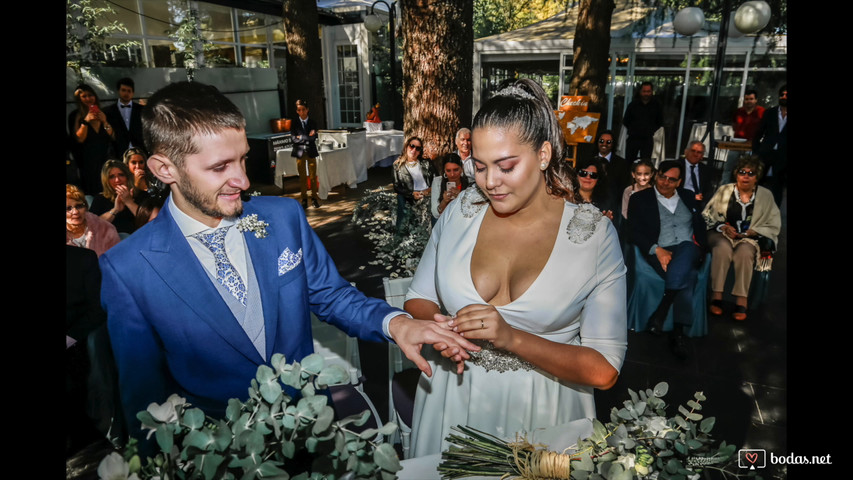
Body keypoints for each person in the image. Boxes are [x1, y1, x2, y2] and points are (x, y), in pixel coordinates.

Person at [98, 81, 477, 452]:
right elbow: (143, 403)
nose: (243, 180)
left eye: (243, 158)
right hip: (213, 452)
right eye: (220, 167)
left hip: (309, 431)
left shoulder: (283, 217)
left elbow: (332, 294)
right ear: (165, 169)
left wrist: (397, 323)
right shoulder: (128, 269)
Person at [405, 78, 627, 456]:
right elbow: (419, 298)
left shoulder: (594, 236)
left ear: (543, 155)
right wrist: (440, 331)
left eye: (506, 166)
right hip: (453, 398)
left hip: (543, 414)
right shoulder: (460, 212)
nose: (491, 182)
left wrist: (513, 339)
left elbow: (604, 370)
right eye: (480, 166)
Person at [627, 160, 707, 360]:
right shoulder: (640, 198)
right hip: (661, 250)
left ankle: (661, 313)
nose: (665, 182)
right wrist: (657, 250)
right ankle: (678, 333)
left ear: (679, 182)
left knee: (688, 246)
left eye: (672, 180)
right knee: (686, 277)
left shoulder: (689, 197)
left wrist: (704, 245)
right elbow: (631, 231)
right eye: (662, 176)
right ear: (656, 175)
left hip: (690, 249)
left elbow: (701, 226)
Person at [703, 156, 780, 321]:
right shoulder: (724, 190)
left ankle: (741, 299)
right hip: (721, 233)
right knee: (722, 248)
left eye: (751, 173)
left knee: (745, 252)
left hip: (749, 238)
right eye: (742, 172)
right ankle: (717, 296)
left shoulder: (765, 195)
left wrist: (755, 231)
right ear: (736, 174)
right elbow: (707, 215)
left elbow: (774, 223)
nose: (746, 176)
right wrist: (722, 226)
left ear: (756, 177)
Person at [69, 84, 116, 194]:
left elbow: (113, 136)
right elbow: (79, 139)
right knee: (93, 191)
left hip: (105, 159)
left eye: (90, 95)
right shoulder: (76, 115)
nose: (88, 99)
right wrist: (85, 121)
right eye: (84, 96)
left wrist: (104, 121)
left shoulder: (105, 113)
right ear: (79, 99)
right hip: (88, 162)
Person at [88, 160, 151, 235]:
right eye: (112, 177)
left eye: (121, 175)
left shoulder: (141, 195)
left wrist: (129, 202)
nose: (117, 180)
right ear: (106, 180)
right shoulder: (100, 199)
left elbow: (150, 221)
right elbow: (92, 226)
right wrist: (115, 209)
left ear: (127, 176)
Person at [393, 136, 436, 235]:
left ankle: (433, 235)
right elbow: (397, 187)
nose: (414, 150)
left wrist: (429, 190)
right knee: (400, 197)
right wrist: (411, 194)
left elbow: (437, 180)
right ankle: (400, 234)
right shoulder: (397, 166)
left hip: (428, 194)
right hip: (411, 197)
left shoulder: (427, 163)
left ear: (420, 151)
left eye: (418, 148)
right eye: (412, 146)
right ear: (406, 147)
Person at [754, 84, 787, 207]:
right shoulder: (770, 113)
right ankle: (753, 212)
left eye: (786, 95)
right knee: (758, 184)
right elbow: (758, 133)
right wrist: (756, 152)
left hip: (783, 157)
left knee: (777, 188)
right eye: (782, 94)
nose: (784, 97)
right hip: (766, 153)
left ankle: (773, 217)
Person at [66, 184, 120, 257]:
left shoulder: (105, 229)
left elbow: (117, 259)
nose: (75, 212)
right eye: (68, 208)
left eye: (79, 206)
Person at [104, 77, 146, 156]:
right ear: (118, 91)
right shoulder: (109, 111)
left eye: (129, 91)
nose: (126, 93)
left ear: (133, 93)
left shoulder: (142, 110)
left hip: (140, 151)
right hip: (118, 151)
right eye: (123, 90)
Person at [290, 99, 321, 209]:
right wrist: (306, 137)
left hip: (311, 151)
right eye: (299, 110)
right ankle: (304, 198)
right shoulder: (294, 123)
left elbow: (313, 137)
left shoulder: (313, 122)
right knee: (302, 176)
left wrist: (301, 137)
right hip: (299, 152)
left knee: (312, 176)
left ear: (307, 110)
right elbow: (293, 139)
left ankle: (314, 197)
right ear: (297, 111)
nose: (302, 112)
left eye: (303, 109)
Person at [622, 82, 663, 161]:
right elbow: (626, 120)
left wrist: (650, 130)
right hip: (633, 138)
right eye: (644, 91)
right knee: (629, 162)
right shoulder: (633, 105)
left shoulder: (656, 105)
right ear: (640, 92)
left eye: (648, 91)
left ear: (652, 92)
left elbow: (660, 121)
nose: (646, 94)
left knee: (646, 162)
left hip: (648, 139)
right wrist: (634, 129)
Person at [594, 129, 631, 210]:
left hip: (613, 207)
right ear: (597, 142)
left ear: (613, 144)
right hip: (591, 205)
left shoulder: (622, 164)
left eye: (608, 142)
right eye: (601, 141)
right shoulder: (588, 160)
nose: (604, 144)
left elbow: (624, 187)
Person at [431, 153, 470, 220]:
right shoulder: (438, 182)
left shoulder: (469, 183)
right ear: (444, 171)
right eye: (448, 170)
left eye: (456, 170)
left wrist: (461, 197)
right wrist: (444, 201)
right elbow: (435, 213)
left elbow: (471, 210)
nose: (452, 174)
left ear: (461, 169)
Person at [575, 157, 615, 221]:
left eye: (593, 175)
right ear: (576, 175)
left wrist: (605, 223)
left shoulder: (606, 203)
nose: (588, 177)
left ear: (598, 180)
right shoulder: (568, 199)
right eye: (583, 173)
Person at [680, 140, 713, 209]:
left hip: (700, 202)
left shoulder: (705, 169)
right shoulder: (677, 166)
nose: (695, 154)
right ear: (686, 152)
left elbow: (708, 190)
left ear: (702, 156)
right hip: (681, 199)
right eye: (693, 151)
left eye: (699, 152)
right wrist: (691, 196)